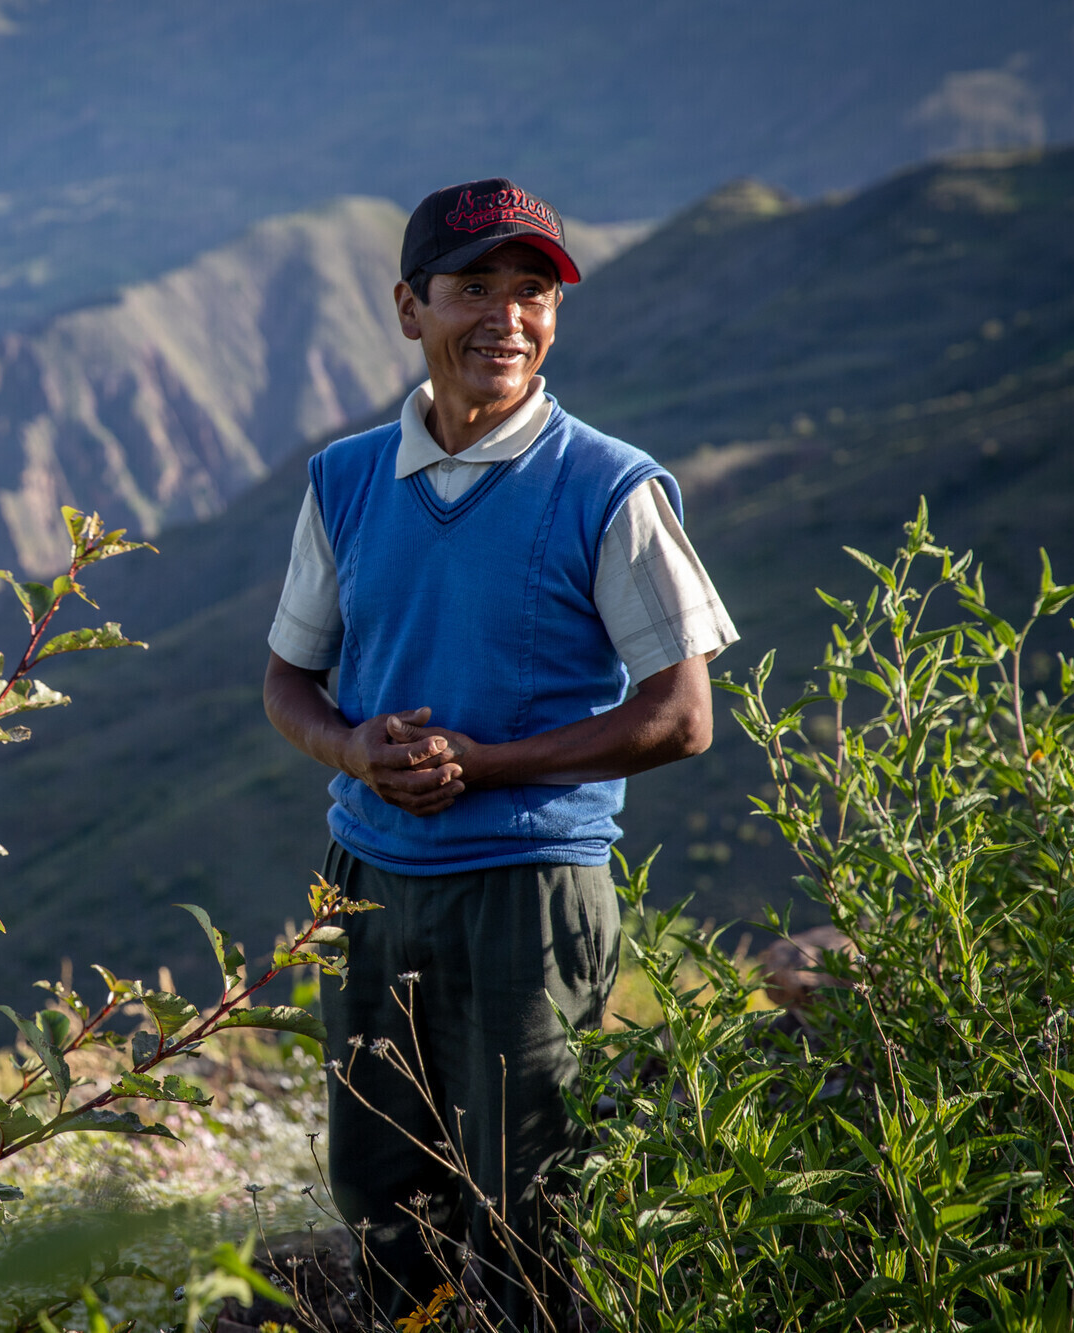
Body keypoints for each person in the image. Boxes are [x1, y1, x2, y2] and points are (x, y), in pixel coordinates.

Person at [262, 178, 738, 1327]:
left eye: (532, 292)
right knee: (384, 1208)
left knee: (532, 1220)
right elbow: (286, 678)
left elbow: (680, 715)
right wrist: (349, 747)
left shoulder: (609, 486)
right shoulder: (342, 481)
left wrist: (483, 765)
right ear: (406, 308)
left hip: (530, 895)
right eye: (473, 287)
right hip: (367, 890)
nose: (506, 318)